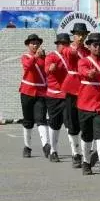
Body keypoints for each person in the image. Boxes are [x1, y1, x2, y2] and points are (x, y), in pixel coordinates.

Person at [76, 33, 100, 176]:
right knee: (86, 136)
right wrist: (89, 72)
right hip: (84, 104)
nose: (98, 47)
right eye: (95, 45)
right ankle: (86, 161)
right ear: (89, 46)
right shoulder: (84, 61)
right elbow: (82, 71)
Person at [61, 23, 91, 167]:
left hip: (85, 88)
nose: (80, 37)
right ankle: (75, 153)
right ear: (74, 35)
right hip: (72, 87)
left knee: (85, 120)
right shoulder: (69, 49)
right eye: (78, 34)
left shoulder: (87, 51)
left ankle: (87, 152)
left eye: (83, 34)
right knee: (72, 121)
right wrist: (75, 47)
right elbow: (68, 54)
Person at [19, 33, 48, 159]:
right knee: (28, 121)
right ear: (28, 45)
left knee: (41, 119)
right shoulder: (26, 56)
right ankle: (27, 147)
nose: (35, 45)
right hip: (27, 92)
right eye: (32, 43)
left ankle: (46, 145)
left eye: (37, 43)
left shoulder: (44, 58)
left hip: (41, 93)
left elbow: (48, 71)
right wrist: (35, 57)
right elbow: (28, 66)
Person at [44, 33, 71, 162]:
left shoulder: (70, 57)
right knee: (54, 125)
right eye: (62, 44)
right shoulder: (51, 56)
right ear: (58, 45)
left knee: (69, 123)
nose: (65, 46)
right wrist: (50, 68)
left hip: (67, 95)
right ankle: (53, 150)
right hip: (53, 95)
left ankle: (75, 152)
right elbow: (46, 70)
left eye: (67, 44)